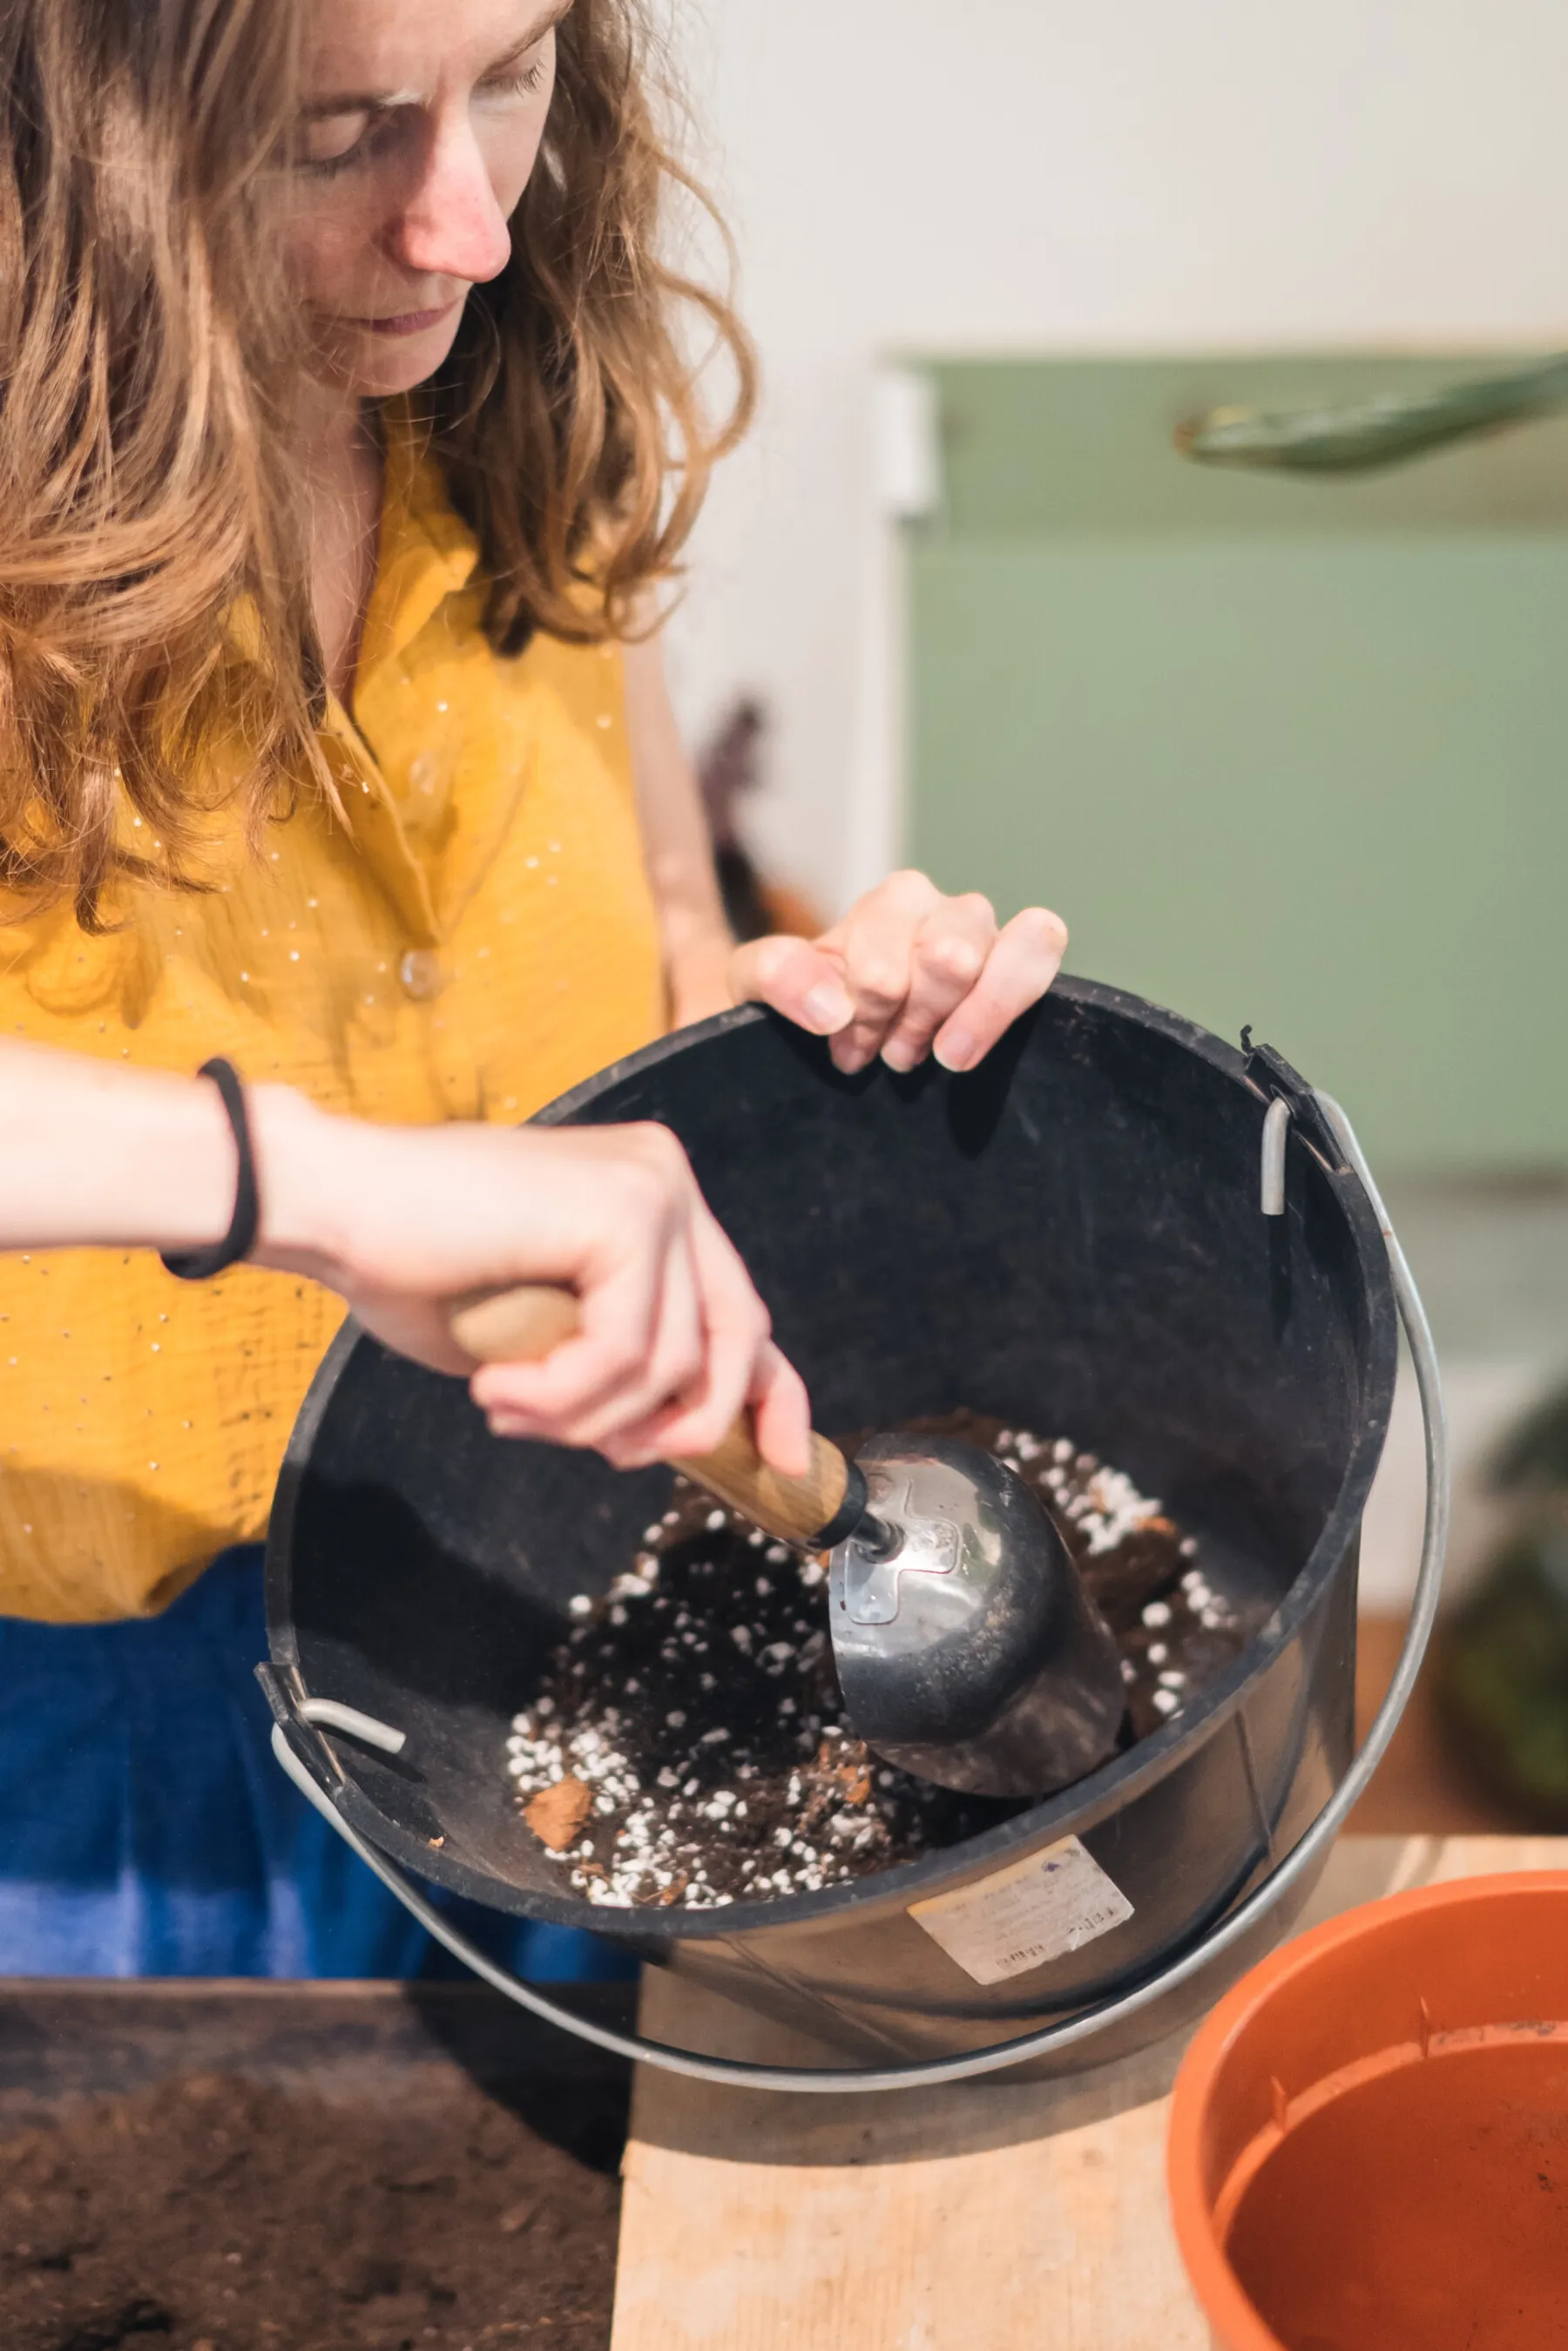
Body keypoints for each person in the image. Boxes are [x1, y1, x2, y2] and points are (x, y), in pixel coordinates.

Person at [0, 0, 1068, 1978]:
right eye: (339, 135)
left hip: (553, 1591)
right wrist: (318, 1183)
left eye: (513, 75)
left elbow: (665, 908)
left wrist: (808, 1017)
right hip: (80, 1734)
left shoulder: (527, 388)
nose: (469, 226)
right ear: (82, 132)